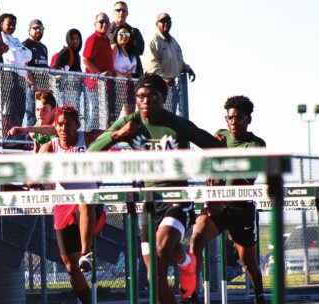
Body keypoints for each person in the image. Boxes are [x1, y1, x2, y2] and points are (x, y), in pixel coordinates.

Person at [88, 73, 225, 304]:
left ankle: (186, 263)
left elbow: (215, 148)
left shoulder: (177, 124)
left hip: (177, 198)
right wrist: (119, 135)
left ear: (163, 98)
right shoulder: (130, 122)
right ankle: (185, 264)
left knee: (162, 247)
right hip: (150, 202)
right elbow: (92, 151)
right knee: (155, 277)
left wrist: (216, 171)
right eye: (141, 96)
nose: (145, 101)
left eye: (152, 96)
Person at [186, 96, 266, 304]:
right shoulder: (219, 136)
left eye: (239, 119)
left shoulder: (255, 144)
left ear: (248, 120)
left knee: (247, 262)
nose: (233, 123)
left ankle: (259, 295)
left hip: (241, 207)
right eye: (229, 118)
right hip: (217, 203)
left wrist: (221, 155)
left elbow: (246, 175)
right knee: (196, 238)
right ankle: (191, 295)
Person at [38, 105, 105, 304]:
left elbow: (114, 134)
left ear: (78, 125)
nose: (63, 129)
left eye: (68, 124)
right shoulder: (50, 148)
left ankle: (86, 253)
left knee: (83, 200)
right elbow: (30, 177)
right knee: (71, 269)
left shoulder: (89, 138)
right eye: (59, 125)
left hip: (92, 206)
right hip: (62, 207)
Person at [143, 13, 195, 115]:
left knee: (170, 117)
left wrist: (188, 69)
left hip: (171, 87)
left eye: (168, 21)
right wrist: (164, 80)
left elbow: (178, 60)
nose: (166, 23)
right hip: (157, 87)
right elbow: (152, 65)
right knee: (159, 117)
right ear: (157, 24)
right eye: (163, 21)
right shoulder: (154, 41)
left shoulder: (173, 41)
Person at [0, 13, 31, 134]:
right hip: (9, 74)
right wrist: (21, 54)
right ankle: (7, 135)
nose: (12, 27)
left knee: (20, 108)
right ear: (1, 24)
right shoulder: (1, 37)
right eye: (9, 24)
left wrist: (20, 55)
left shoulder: (16, 40)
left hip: (21, 76)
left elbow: (29, 54)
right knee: (9, 107)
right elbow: (13, 56)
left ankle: (16, 136)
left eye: (14, 24)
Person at [83, 13, 115, 130]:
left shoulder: (107, 39)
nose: (104, 24)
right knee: (97, 110)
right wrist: (99, 74)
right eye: (101, 22)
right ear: (95, 24)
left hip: (105, 85)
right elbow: (85, 59)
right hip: (94, 84)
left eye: (107, 21)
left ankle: (99, 139)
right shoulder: (93, 39)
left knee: (104, 113)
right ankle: (87, 139)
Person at [108, 1, 145, 78]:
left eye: (124, 10)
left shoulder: (134, 31)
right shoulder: (108, 29)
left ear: (127, 13)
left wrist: (126, 44)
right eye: (118, 10)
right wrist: (132, 43)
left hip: (134, 75)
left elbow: (140, 50)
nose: (121, 12)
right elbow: (113, 42)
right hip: (116, 77)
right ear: (113, 13)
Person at [22, 19, 49, 127]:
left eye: (41, 28)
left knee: (44, 116)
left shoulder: (44, 48)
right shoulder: (25, 45)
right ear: (29, 30)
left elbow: (45, 66)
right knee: (32, 115)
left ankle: (42, 138)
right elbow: (24, 66)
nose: (38, 30)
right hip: (31, 87)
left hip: (44, 87)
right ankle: (29, 140)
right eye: (35, 28)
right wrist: (32, 83)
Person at [54, 29, 83, 112]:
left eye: (77, 39)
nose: (75, 41)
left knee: (74, 112)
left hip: (74, 87)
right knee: (65, 111)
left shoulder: (76, 54)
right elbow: (57, 68)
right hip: (65, 89)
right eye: (73, 39)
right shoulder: (66, 51)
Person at [111, 24, 136, 122]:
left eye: (127, 34)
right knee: (113, 115)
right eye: (121, 33)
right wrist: (123, 76)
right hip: (115, 85)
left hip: (125, 87)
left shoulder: (128, 51)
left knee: (127, 114)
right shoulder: (115, 47)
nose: (124, 36)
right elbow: (110, 66)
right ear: (116, 35)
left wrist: (129, 74)